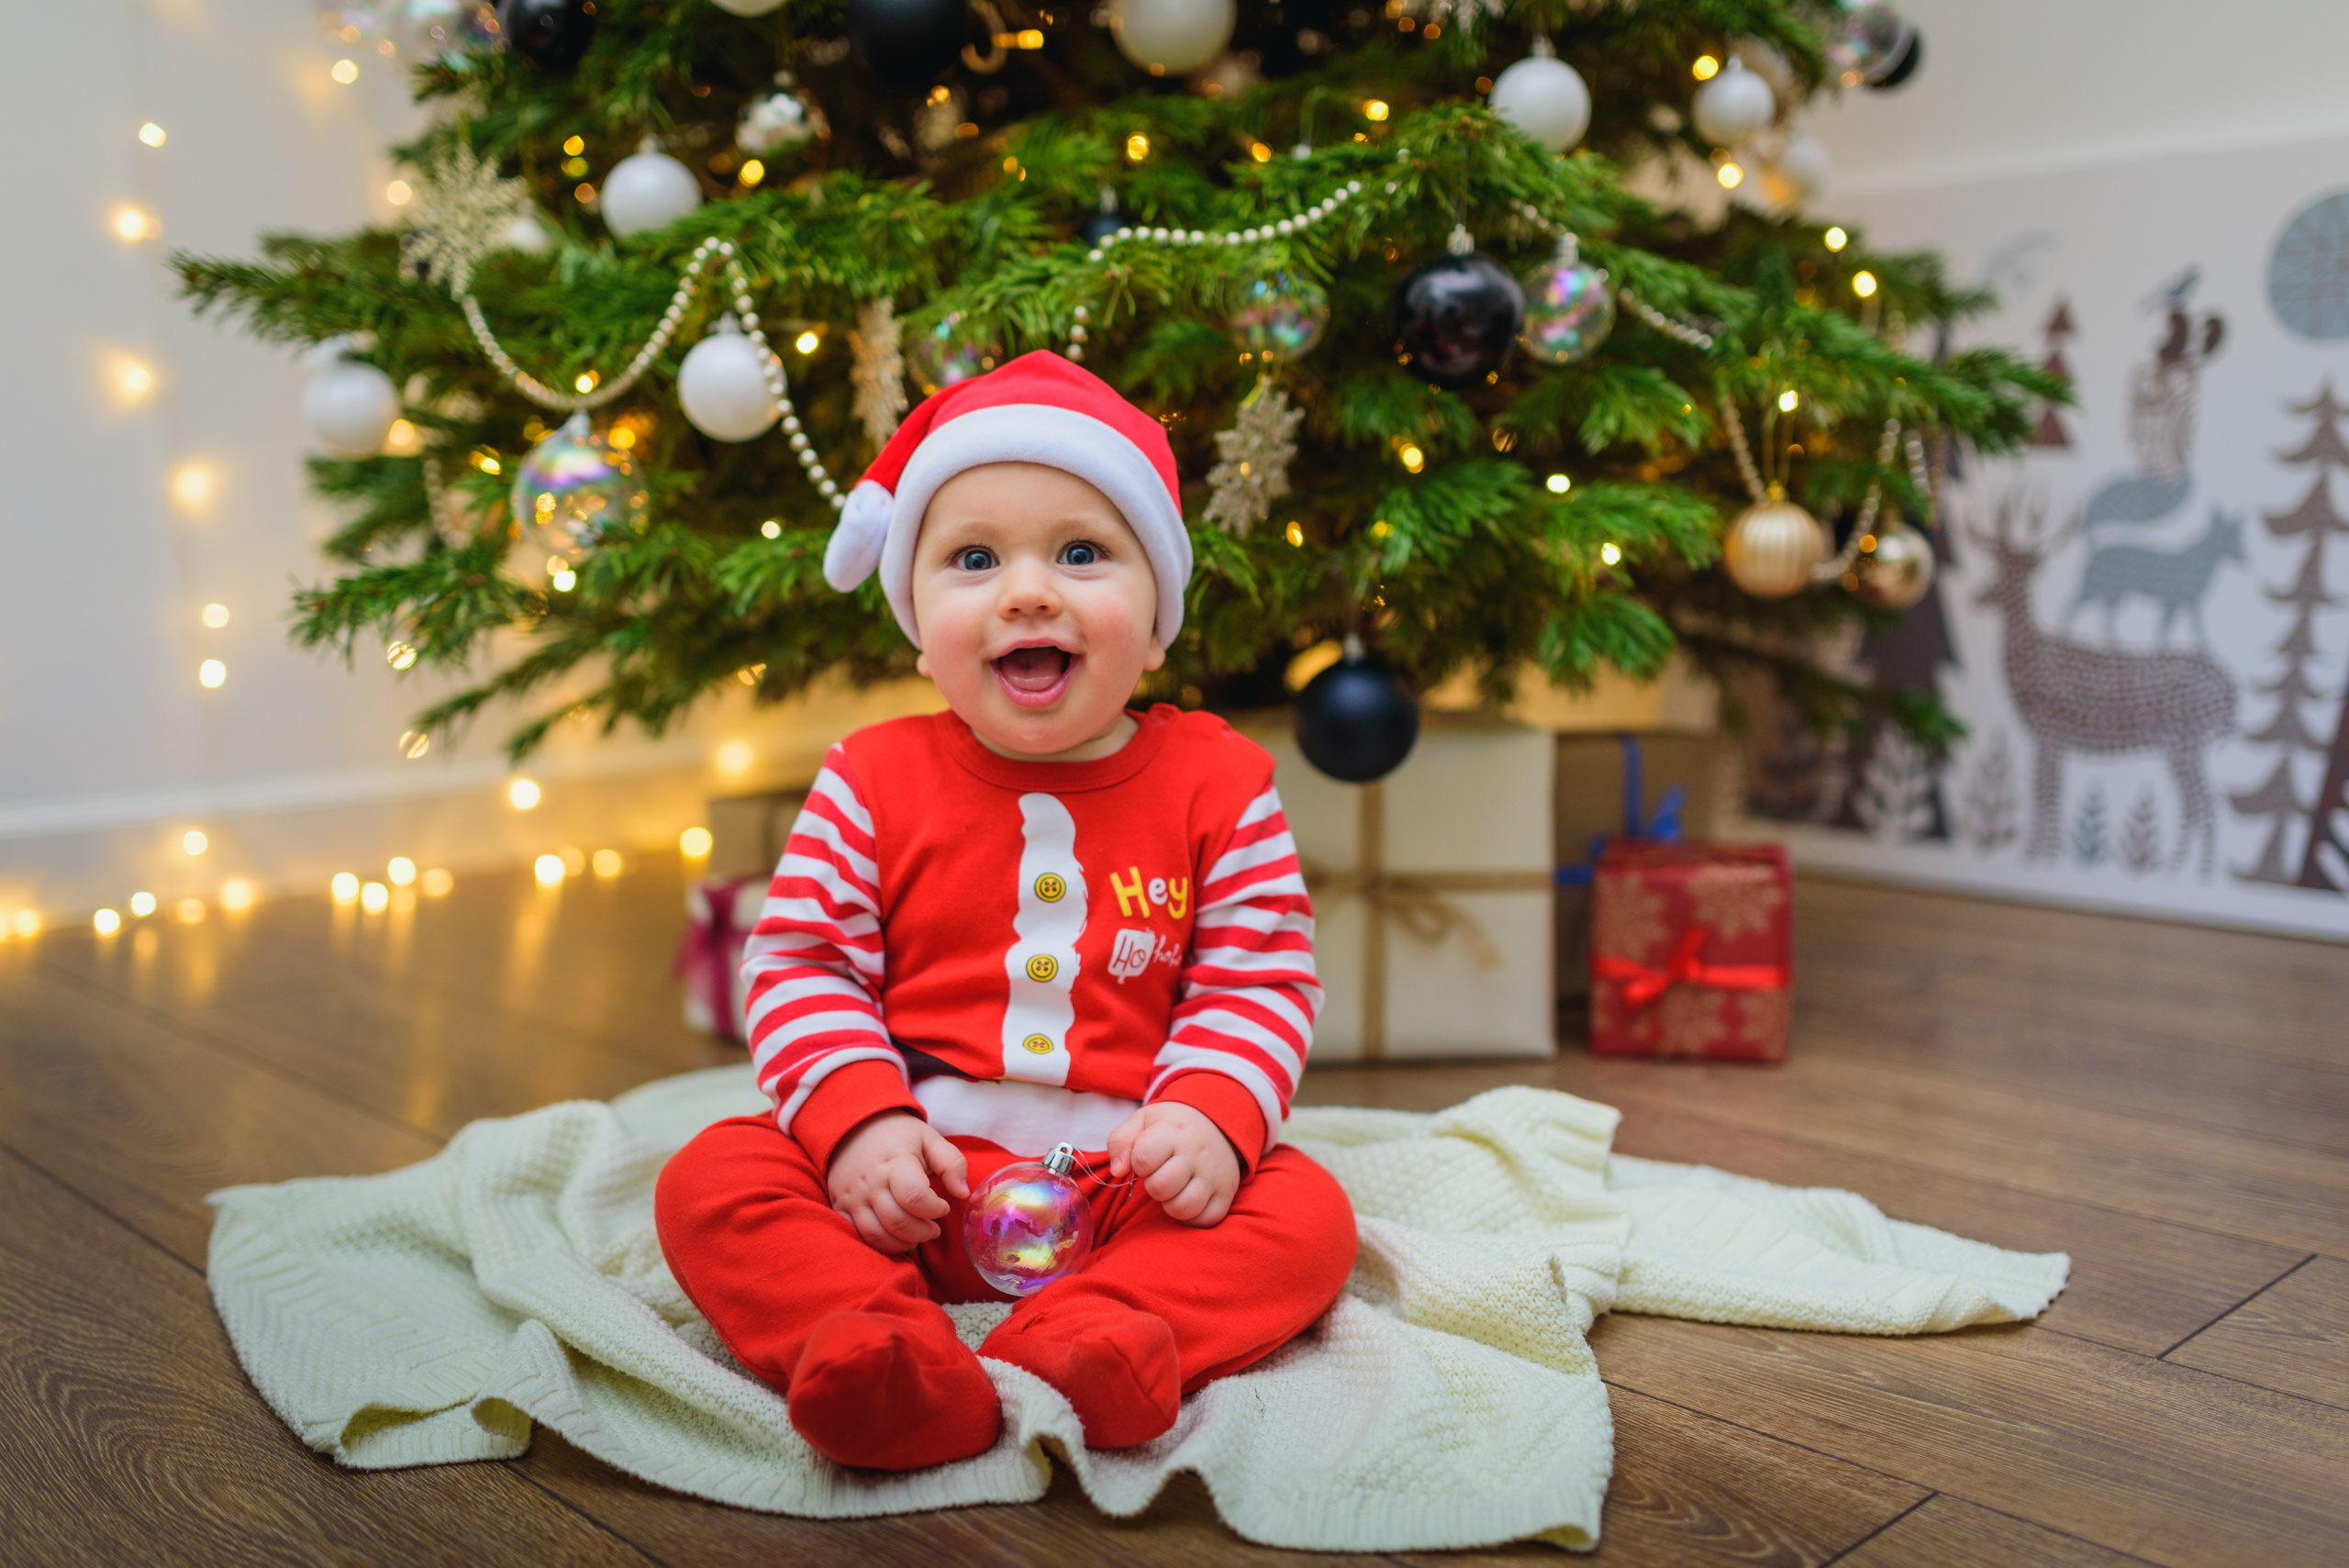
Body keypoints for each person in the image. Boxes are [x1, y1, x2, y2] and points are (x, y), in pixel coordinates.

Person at [655, 351, 1357, 1471]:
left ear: (1158, 611)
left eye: (1083, 552)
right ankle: (874, 1342)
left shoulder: (1219, 782)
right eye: (973, 558)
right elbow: (802, 964)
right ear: (918, 618)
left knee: (1308, 1213)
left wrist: (1209, 1118)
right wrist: (861, 1125)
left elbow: (1255, 977)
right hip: (912, 1184)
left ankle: (1105, 1332)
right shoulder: (869, 776)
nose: (1029, 590)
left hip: (1127, 1189)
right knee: (714, 1175)